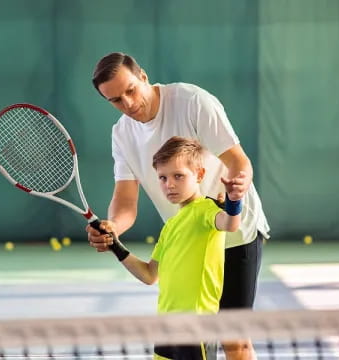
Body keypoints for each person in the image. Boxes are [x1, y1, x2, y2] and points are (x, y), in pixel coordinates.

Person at [86, 52, 270, 360]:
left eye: (131, 90)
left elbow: (238, 162)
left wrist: (237, 191)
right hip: (187, 238)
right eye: (116, 100)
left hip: (236, 232)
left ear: (143, 76)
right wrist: (113, 227)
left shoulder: (192, 102)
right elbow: (126, 200)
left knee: (234, 340)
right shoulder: (122, 134)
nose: (128, 104)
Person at [97, 136, 244, 360]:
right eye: (163, 178)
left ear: (200, 175)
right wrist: (116, 247)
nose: (170, 184)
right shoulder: (170, 226)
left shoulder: (206, 209)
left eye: (178, 176)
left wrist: (234, 202)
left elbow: (230, 224)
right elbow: (149, 275)